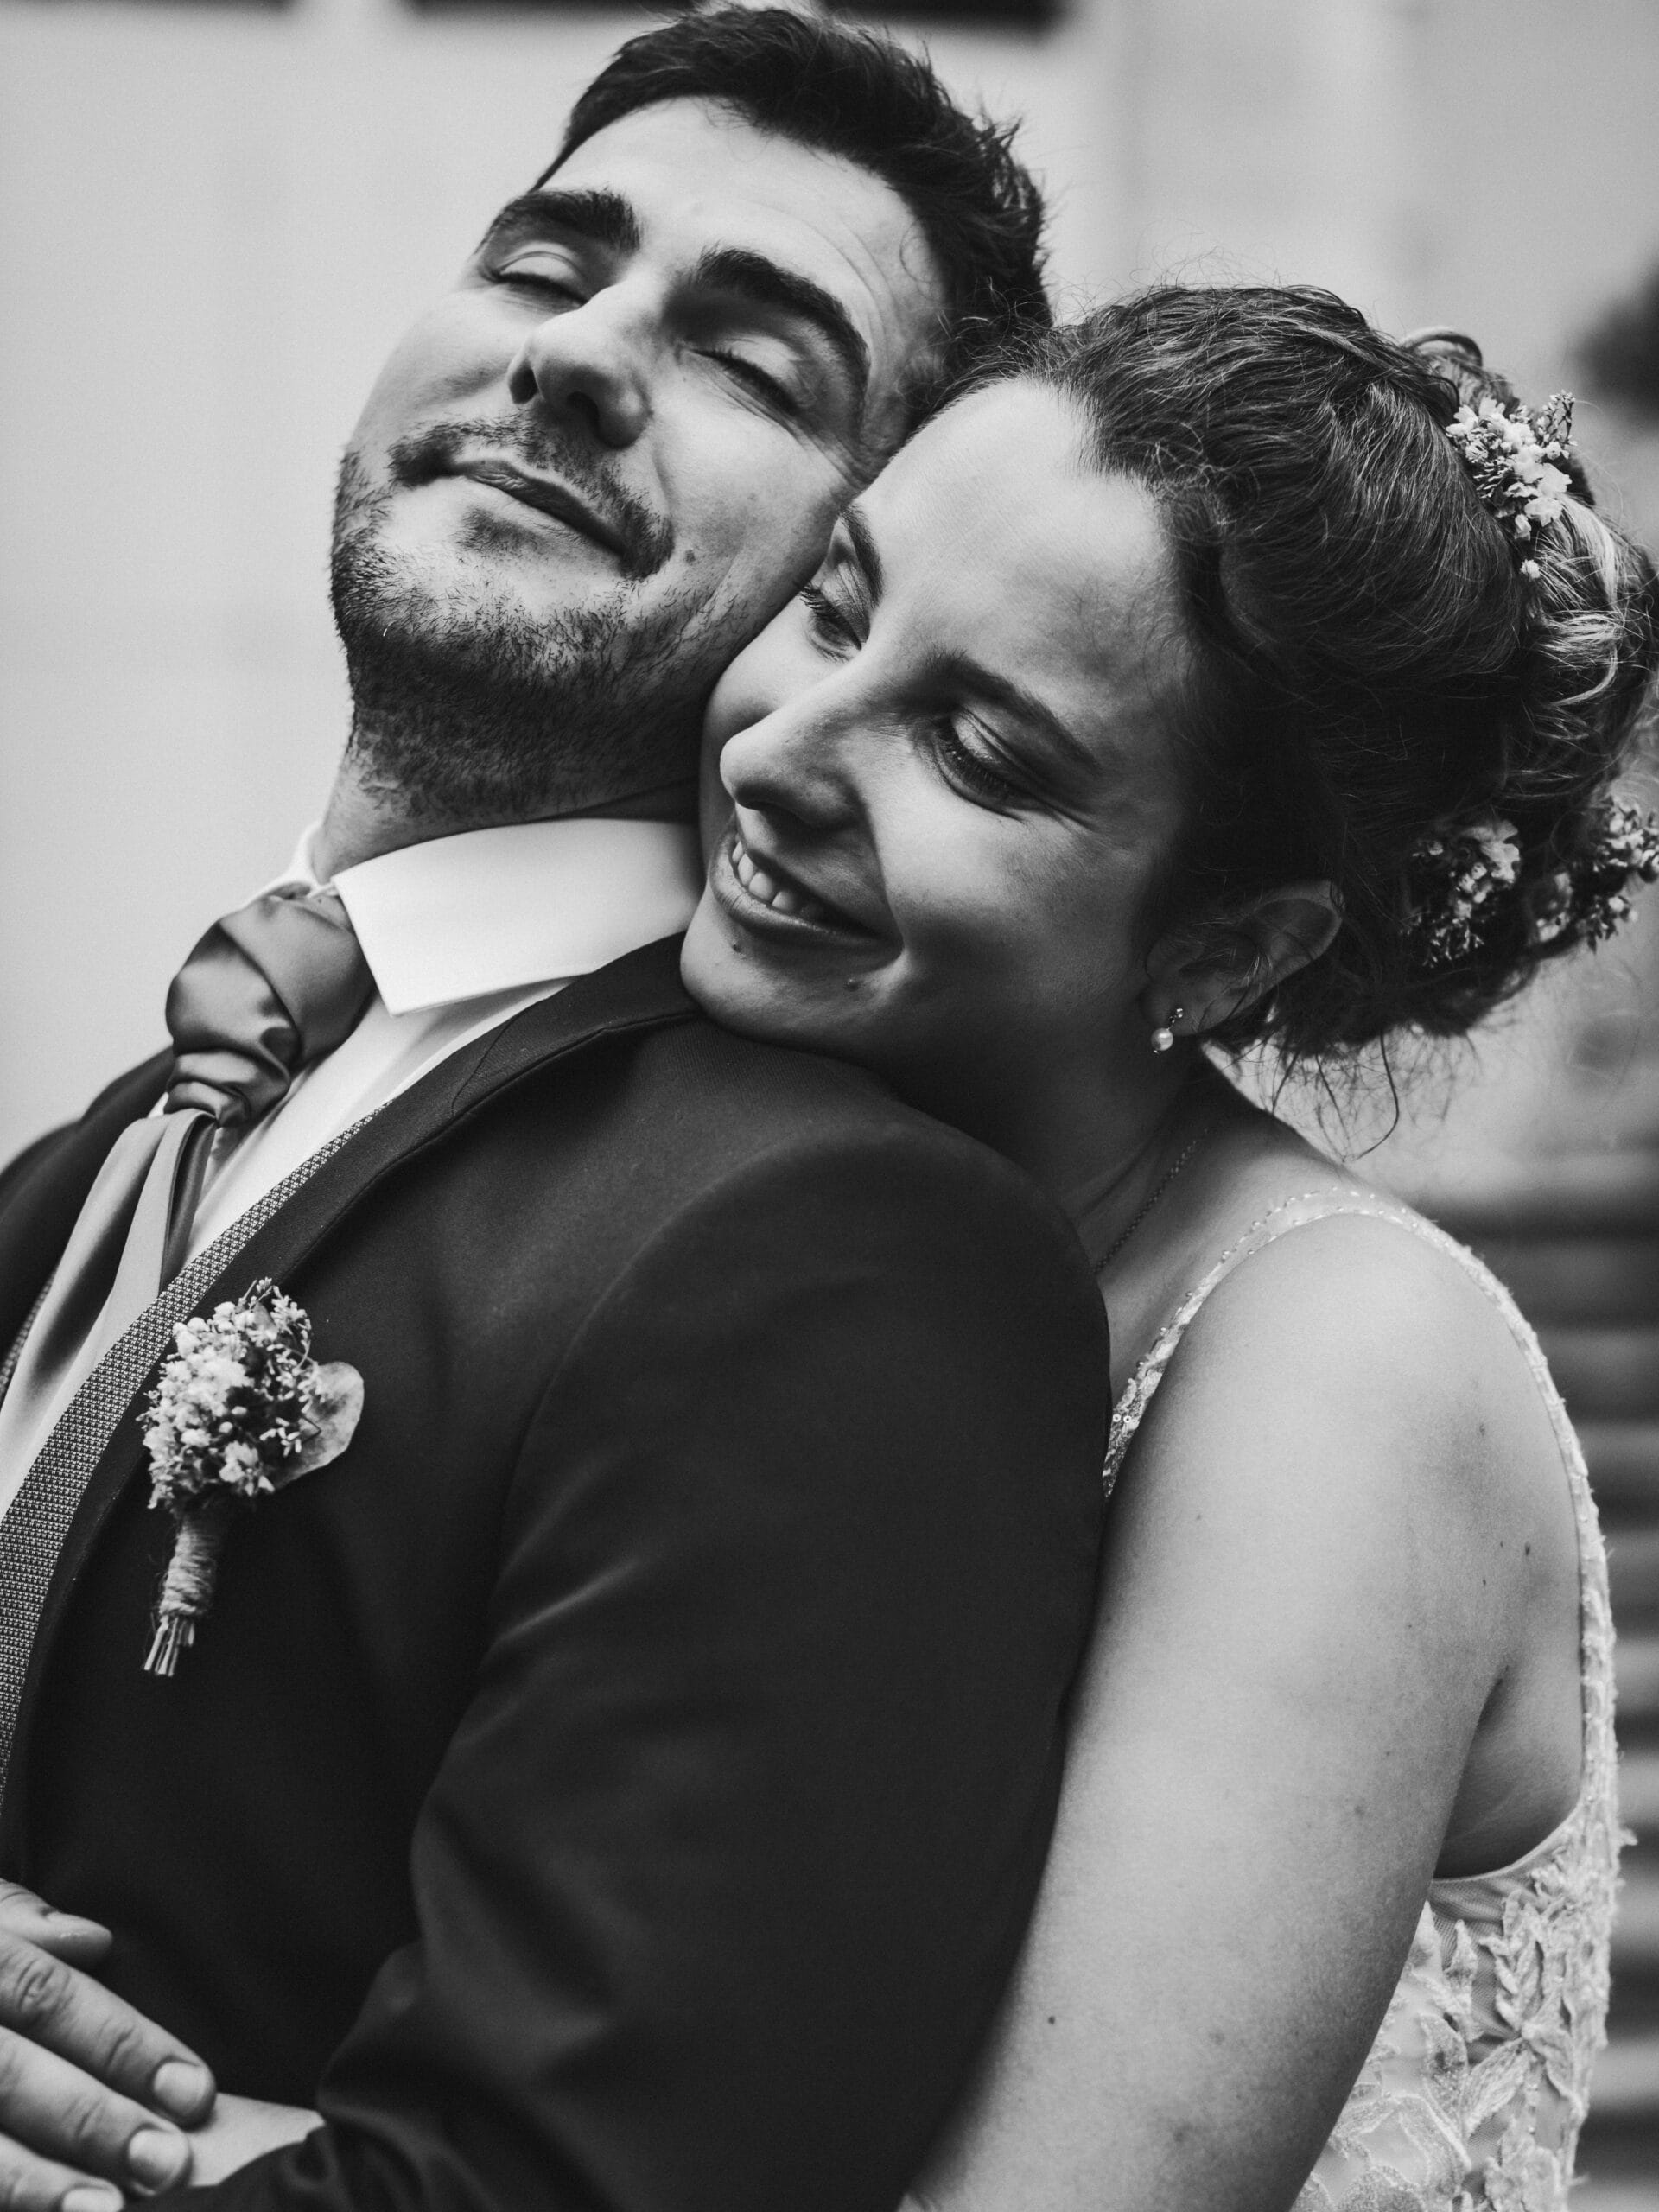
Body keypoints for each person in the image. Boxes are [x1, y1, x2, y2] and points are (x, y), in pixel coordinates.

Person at [0, 15, 1112, 2210]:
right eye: (544, 260)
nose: (583, 356)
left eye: (757, 360)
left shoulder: (840, 1256)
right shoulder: (91, 1162)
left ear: (847, 586)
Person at [677, 287, 1657, 2209]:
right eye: (840, 602)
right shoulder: (794, 1208)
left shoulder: (1338, 1367)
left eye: (974, 749)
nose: (782, 746)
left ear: (1231, 950)